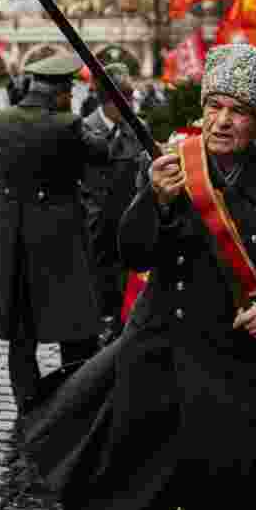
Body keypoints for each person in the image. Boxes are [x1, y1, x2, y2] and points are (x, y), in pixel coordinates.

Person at [62, 43, 256, 510]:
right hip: (156, 355)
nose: (221, 121)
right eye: (214, 106)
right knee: (140, 497)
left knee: (227, 502)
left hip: (232, 364)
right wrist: (152, 199)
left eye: (237, 111)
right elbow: (133, 253)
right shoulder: (171, 165)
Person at [0, 53, 112, 413]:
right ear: (59, 92)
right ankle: (75, 398)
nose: (70, 97)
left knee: (20, 322)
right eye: (68, 91)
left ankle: (26, 399)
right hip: (60, 230)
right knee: (74, 318)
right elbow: (101, 153)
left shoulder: (0, 119)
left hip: (13, 228)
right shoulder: (68, 123)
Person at [80, 63, 143, 345]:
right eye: (124, 101)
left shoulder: (137, 129)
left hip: (127, 222)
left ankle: (120, 340)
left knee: (124, 292)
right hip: (95, 226)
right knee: (97, 291)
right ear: (108, 102)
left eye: (130, 100)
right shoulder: (83, 129)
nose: (130, 107)